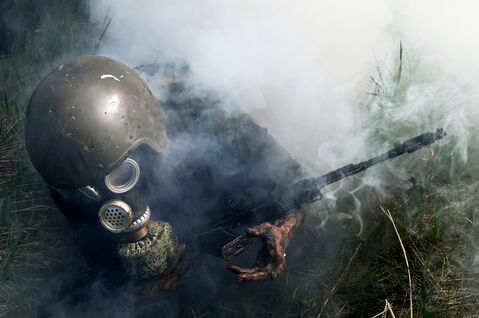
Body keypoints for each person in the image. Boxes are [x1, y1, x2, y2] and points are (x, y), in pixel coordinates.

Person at [25, 55, 307, 299]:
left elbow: (293, 180)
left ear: (150, 143)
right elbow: (97, 255)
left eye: (123, 176)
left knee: (234, 186)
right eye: (90, 190)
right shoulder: (67, 168)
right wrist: (134, 291)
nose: (119, 203)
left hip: (192, 144)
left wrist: (283, 225)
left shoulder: (205, 113)